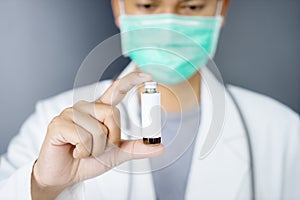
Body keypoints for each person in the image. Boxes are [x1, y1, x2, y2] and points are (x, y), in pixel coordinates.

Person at [0, 0, 299, 199]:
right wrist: (42, 185)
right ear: (119, 7)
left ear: (221, 9)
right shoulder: (52, 124)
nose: (167, 27)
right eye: (147, 4)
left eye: (192, 6)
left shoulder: (283, 132)